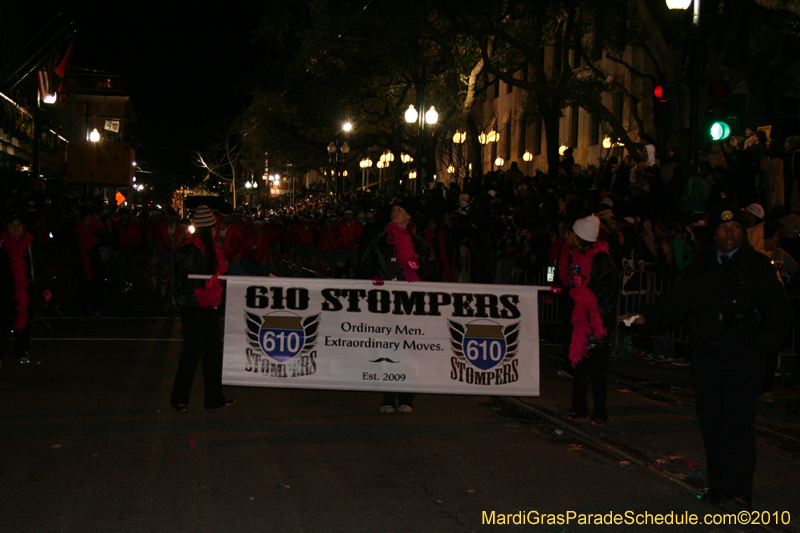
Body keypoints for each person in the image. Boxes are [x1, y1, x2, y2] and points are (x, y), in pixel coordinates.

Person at [620, 204, 792, 510]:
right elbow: (678, 298)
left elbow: (779, 315)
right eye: (723, 228)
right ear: (714, 233)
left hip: (743, 357)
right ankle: (719, 486)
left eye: (736, 228)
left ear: (743, 232)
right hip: (709, 355)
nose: (729, 233)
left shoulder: (757, 266)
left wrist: (760, 347)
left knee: (737, 424)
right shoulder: (703, 263)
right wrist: (647, 316)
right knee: (712, 422)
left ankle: (739, 490)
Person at [358, 198, 438, 414]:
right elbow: (365, 263)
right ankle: (387, 397)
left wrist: (419, 267)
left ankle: (406, 397)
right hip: (384, 301)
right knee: (386, 348)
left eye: (399, 210)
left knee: (408, 349)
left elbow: (432, 270)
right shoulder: (380, 240)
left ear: (408, 216)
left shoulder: (420, 243)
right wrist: (373, 275)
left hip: (410, 302)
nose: (394, 212)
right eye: (393, 210)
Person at [170, 205, 235, 412]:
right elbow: (181, 282)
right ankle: (179, 398)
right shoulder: (190, 249)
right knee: (191, 352)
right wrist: (202, 289)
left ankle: (214, 398)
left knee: (213, 352)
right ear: (210, 229)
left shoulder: (211, 249)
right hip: (194, 307)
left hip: (208, 307)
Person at [560, 215, 618, 425]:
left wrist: (589, 283)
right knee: (578, 366)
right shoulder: (576, 255)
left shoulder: (602, 259)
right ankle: (578, 406)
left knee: (597, 371)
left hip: (596, 321)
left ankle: (600, 411)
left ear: (579, 236)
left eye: (571, 233)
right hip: (578, 320)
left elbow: (610, 292)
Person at [0, 214, 36, 366]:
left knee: (23, 321)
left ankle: (22, 352)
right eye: (12, 224)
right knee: (2, 323)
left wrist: (43, 288)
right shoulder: (1, 245)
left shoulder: (30, 246)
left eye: (19, 224)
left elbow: (37, 267)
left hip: (25, 290)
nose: (16, 227)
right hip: (3, 290)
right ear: (7, 228)